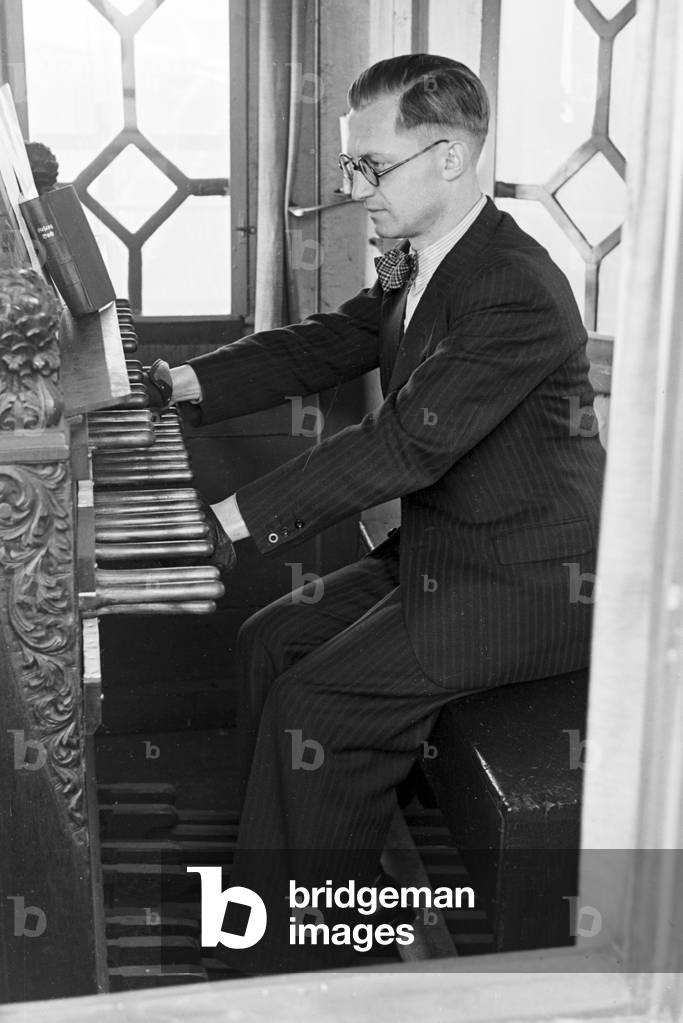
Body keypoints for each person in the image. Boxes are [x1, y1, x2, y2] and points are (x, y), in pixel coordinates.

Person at [147, 54, 605, 974]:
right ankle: (271, 887)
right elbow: (336, 338)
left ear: (448, 157)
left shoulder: (513, 284)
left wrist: (230, 520)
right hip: (447, 545)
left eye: (371, 166)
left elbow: (404, 446)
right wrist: (191, 380)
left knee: (315, 708)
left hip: (528, 580)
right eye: (350, 165)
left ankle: (289, 963)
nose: (355, 189)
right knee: (270, 641)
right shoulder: (421, 256)